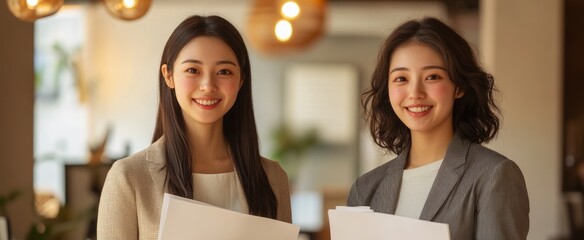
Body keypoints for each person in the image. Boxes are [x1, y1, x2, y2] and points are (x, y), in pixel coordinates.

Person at [97, 15, 292, 239]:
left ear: (241, 80)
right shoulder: (129, 178)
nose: (208, 85)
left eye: (224, 72)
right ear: (168, 75)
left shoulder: (273, 178)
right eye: (193, 70)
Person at [347, 17, 529, 239]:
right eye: (401, 78)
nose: (415, 92)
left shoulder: (494, 175)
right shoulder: (364, 189)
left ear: (459, 86)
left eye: (432, 77)